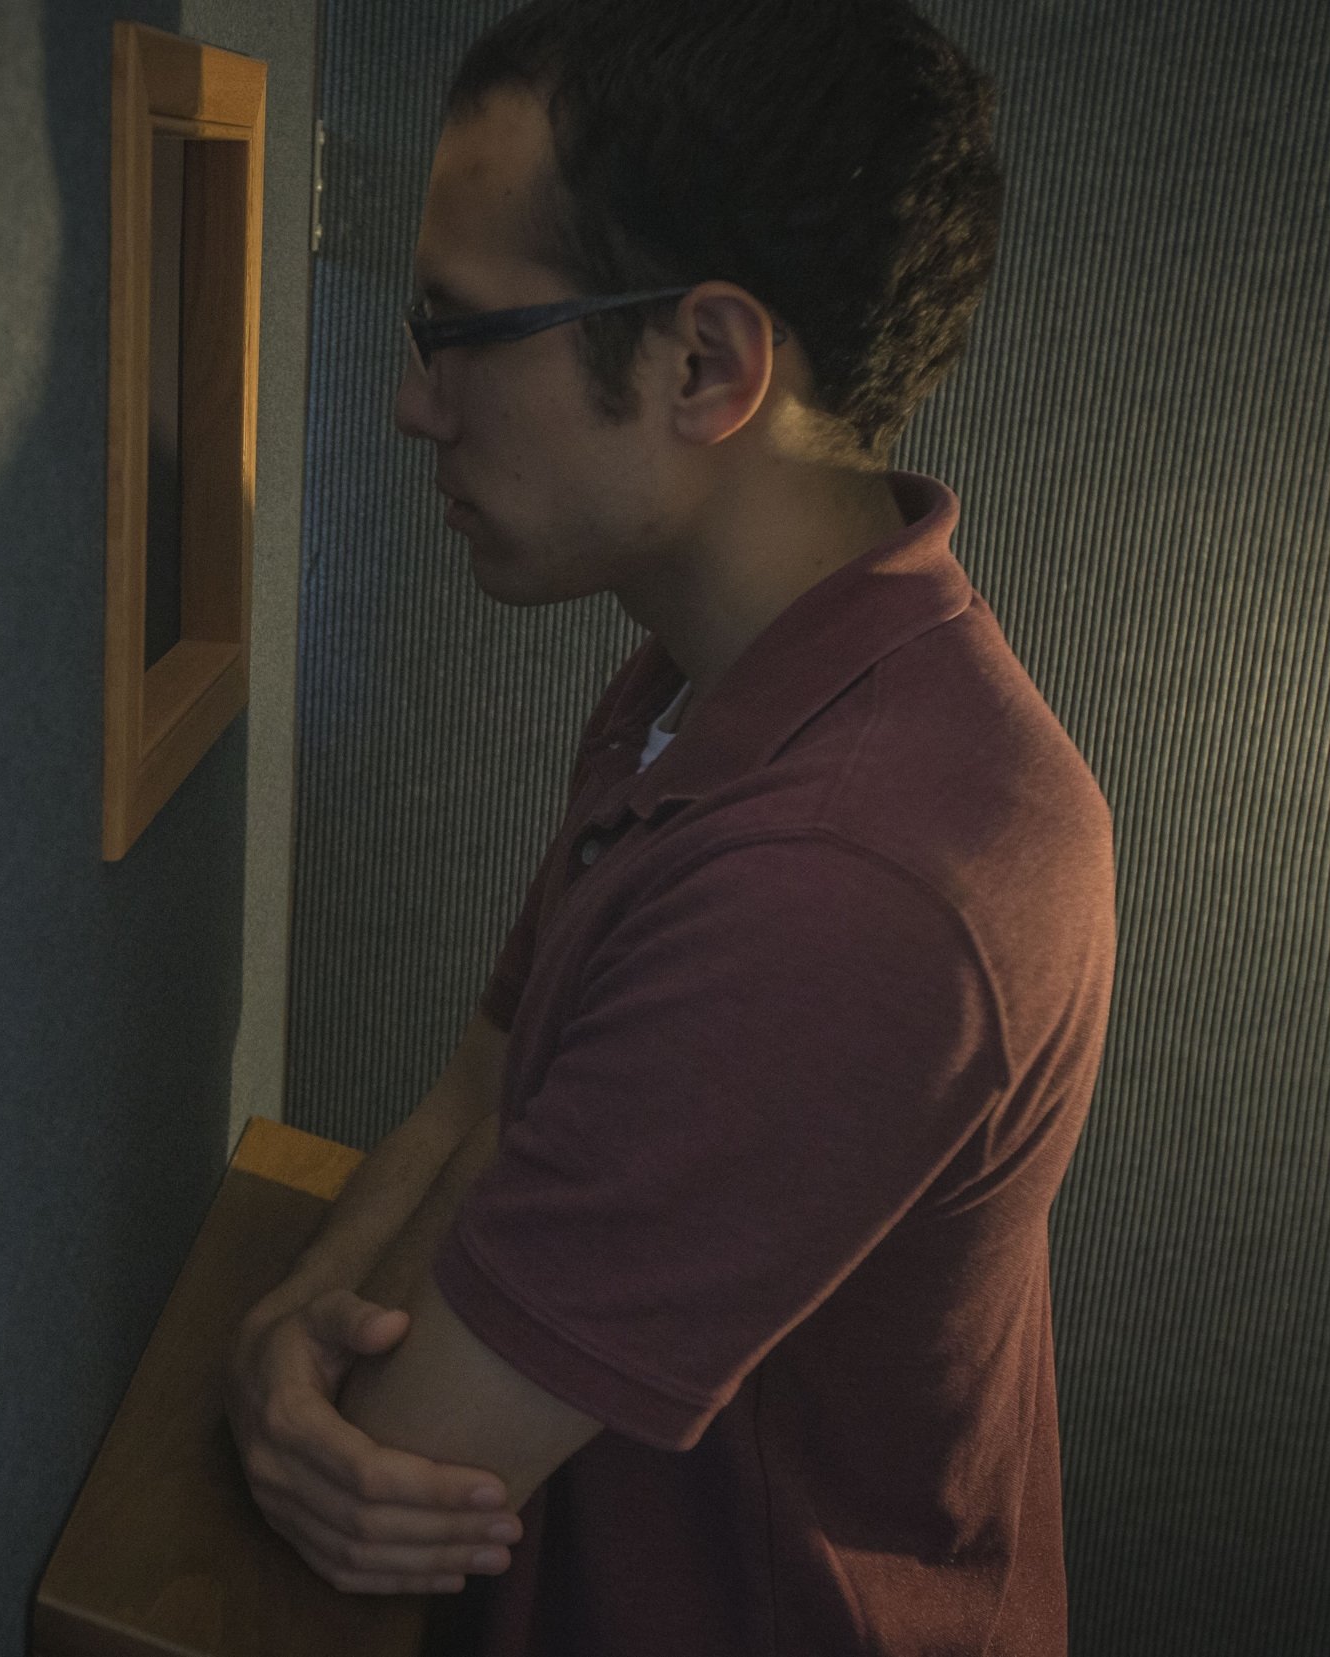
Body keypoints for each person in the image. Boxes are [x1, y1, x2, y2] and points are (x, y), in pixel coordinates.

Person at [225, 2, 1114, 1653]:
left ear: (706, 363)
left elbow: (401, 1470)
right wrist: (284, 1326)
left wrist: (288, 1377)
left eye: (458, 331)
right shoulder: (702, 678)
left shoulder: (849, 880)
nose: (416, 406)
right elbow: (484, 1092)